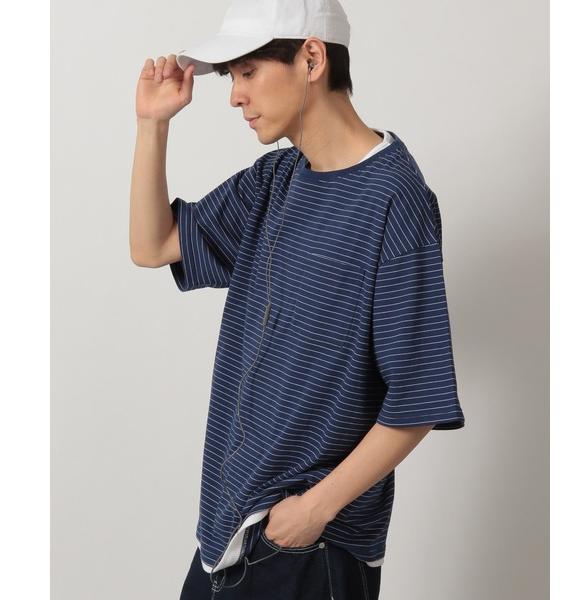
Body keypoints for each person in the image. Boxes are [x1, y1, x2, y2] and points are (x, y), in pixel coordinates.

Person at [129, 1, 466, 598]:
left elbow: (418, 397)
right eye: (232, 77)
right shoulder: (275, 180)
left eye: (248, 72)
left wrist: (313, 510)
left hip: (311, 547)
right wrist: (153, 125)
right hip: (228, 534)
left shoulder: (395, 197)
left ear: (311, 58)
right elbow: (153, 245)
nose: (235, 96)